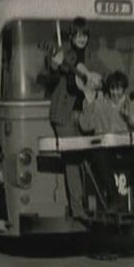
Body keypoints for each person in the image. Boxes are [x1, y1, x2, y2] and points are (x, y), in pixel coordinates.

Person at [45, 17, 101, 218]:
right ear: (71, 36)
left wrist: (95, 81)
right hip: (65, 114)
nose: (82, 39)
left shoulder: (92, 55)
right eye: (78, 35)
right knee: (73, 159)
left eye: (85, 35)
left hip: (86, 113)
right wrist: (55, 62)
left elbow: (101, 76)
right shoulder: (64, 53)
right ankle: (78, 209)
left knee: (92, 157)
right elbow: (52, 69)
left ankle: (95, 205)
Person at [79, 70, 134, 211]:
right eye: (112, 88)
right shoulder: (99, 105)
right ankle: (113, 197)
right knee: (97, 153)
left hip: (127, 152)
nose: (115, 93)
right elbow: (85, 125)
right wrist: (88, 103)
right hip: (108, 153)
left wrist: (132, 122)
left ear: (124, 89)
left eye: (118, 89)